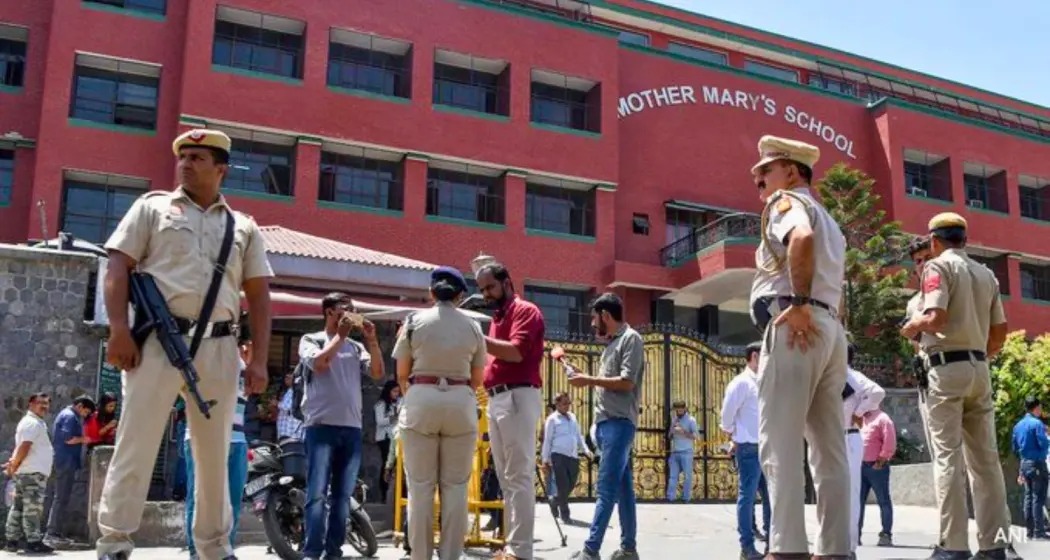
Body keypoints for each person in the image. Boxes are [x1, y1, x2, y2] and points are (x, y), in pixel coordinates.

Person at [97, 128, 273, 560]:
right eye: (184, 156)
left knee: (214, 454)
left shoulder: (243, 226)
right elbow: (117, 266)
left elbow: (259, 294)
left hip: (219, 346)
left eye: (198, 157)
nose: (186, 163)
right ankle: (115, 543)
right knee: (135, 444)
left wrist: (260, 362)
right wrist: (118, 329)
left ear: (221, 169)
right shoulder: (152, 208)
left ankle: (214, 547)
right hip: (156, 341)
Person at [748, 134, 850, 558]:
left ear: (790, 171)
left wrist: (802, 303)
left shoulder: (786, 204)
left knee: (781, 443)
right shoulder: (829, 217)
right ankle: (836, 549)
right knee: (829, 449)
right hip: (829, 330)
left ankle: (787, 548)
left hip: (796, 325)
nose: (759, 185)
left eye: (764, 173)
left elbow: (800, 237)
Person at [900, 212, 1017, 560]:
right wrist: (976, 355)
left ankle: (952, 545)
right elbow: (999, 335)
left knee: (947, 458)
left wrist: (911, 327)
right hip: (979, 368)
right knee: (986, 461)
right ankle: (995, 543)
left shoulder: (937, 268)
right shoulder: (987, 274)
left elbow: (936, 318)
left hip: (944, 369)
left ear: (934, 241)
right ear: (964, 239)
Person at [392, 266, 487, 560]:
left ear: (431, 292)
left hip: (421, 398)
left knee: (420, 487)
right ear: (460, 295)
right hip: (460, 402)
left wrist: (420, 395)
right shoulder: (473, 326)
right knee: (456, 487)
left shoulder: (413, 322)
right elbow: (478, 378)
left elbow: (402, 373)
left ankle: (420, 556)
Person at [298, 292, 385, 560]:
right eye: (343, 310)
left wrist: (371, 340)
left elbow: (379, 373)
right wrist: (341, 336)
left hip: (351, 429)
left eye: (352, 309)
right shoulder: (311, 339)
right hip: (320, 427)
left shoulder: (356, 348)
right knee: (316, 494)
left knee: (342, 496)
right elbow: (320, 364)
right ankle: (312, 551)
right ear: (328, 312)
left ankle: (333, 551)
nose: (349, 314)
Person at [475, 262, 546, 560]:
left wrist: (476, 338)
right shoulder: (498, 316)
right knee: (507, 479)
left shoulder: (526, 310)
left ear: (507, 282)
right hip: (498, 399)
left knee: (518, 476)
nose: (486, 294)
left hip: (518, 395)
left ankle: (520, 551)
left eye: (490, 287)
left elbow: (516, 351)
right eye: (482, 289)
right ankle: (513, 546)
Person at [566, 293, 645, 560]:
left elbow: (626, 382)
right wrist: (582, 374)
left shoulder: (631, 339)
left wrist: (588, 379)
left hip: (619, 425)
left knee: (606, 489)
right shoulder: (611, 344)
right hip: (607, 425)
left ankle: (591, 551)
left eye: (594, 317)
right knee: (623, 491)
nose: (592, 323)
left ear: (606, 316)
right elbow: (607, 381)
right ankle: (629, 548)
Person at [184, 335, 253, 559]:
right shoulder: (199, 354)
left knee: (232, 500)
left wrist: (248, 362)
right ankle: (196, 552)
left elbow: (247, 393)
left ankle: (225, 550)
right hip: (201, 437)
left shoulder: (243, 365)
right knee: (198, 496)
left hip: (237, 440)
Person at [720, 342, 770, 560]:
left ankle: (772, 542)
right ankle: (747, 546)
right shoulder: (741, 383)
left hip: (767, 446)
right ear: (755, 356)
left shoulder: (763, 382)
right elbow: (727, 416)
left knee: (770, 496)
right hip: (749, 447)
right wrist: (735, 434)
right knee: (748, 496)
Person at [840, 344, 886, 555]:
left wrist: (859, 411)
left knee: (850, 492)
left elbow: (877, 392)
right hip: (835, 436)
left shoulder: (850, 375)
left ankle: (848, 546)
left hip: (848, 435)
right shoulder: (831, 374)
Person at [3, 393, 55, 554]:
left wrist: (14, 463)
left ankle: (12, 541)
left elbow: (21, 447)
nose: (45, 407)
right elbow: (25, 446)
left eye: (47, 404)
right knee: (32, 507)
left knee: (18, 507)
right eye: (41, 403)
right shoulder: (32, 423)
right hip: (32, 473)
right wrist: (15, 464)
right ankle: (33, 541)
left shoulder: (34, 422)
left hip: (27, 472)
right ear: (31, 404)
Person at [45, 395, 96, 544]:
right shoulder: (69, 417)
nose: (84, 415)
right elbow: (68, 438)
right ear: (80, 406)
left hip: (66, 461)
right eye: (85, 412)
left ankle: (56, 532)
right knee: (61, 498)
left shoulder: (68, 415)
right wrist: (84, 439)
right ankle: (52, 532)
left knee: (62, 497)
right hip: (65, 461)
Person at [541, 392, 592, 523]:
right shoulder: (552, 419)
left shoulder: (573, 417)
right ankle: (565, 515)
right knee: (563, 485)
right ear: (557, 404)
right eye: (564, 403)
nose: (567, 406)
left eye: (569, 403)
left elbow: (579, 436)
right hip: (558, 456)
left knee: (571, 483)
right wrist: (545, 460)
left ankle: (555, 500)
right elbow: (547, 440)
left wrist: (586, 450)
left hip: (572, 456)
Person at [858, 403, 897, 547]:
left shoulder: (883, 418)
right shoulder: (861, 418)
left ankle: (886, 534)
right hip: (860, 466)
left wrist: (882, 459)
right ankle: (856, 535)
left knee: (883, 501)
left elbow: (890, 441)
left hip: (876, 466)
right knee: (857, 503)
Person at [1012, 396, 1048, 540]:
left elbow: (1014, 447)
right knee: (1038, 497)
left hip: (1024, 463)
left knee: (1028, 497)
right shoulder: (1037, 424)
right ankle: (1039, 532)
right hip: (1037, 463)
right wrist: (1042, 453)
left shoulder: (1017, 426)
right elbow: (1044, 443)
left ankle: (1030, 531)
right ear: (1037, 407)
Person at [374, 380, 401, 501]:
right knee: (387, 463)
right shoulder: (381, 404)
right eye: (394, 391)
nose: (396, 394)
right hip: (384, 438)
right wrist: (392, 417)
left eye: (398, 392)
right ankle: (384, 493)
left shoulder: (398, 403)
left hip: (395, 437)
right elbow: (380, 421)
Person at [666, 400, 698, 502]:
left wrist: (683, 431)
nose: (678, 412)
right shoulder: (674, 419)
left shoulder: (691, 420)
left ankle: (686, 498)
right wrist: (672, 431)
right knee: (672, 477)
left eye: (680, 409)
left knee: (687, 477)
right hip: (675, 452)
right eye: (676, 410)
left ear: (684, 408)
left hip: (686, 452)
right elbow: (669, 437)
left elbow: (695, 436)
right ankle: (671, 498)